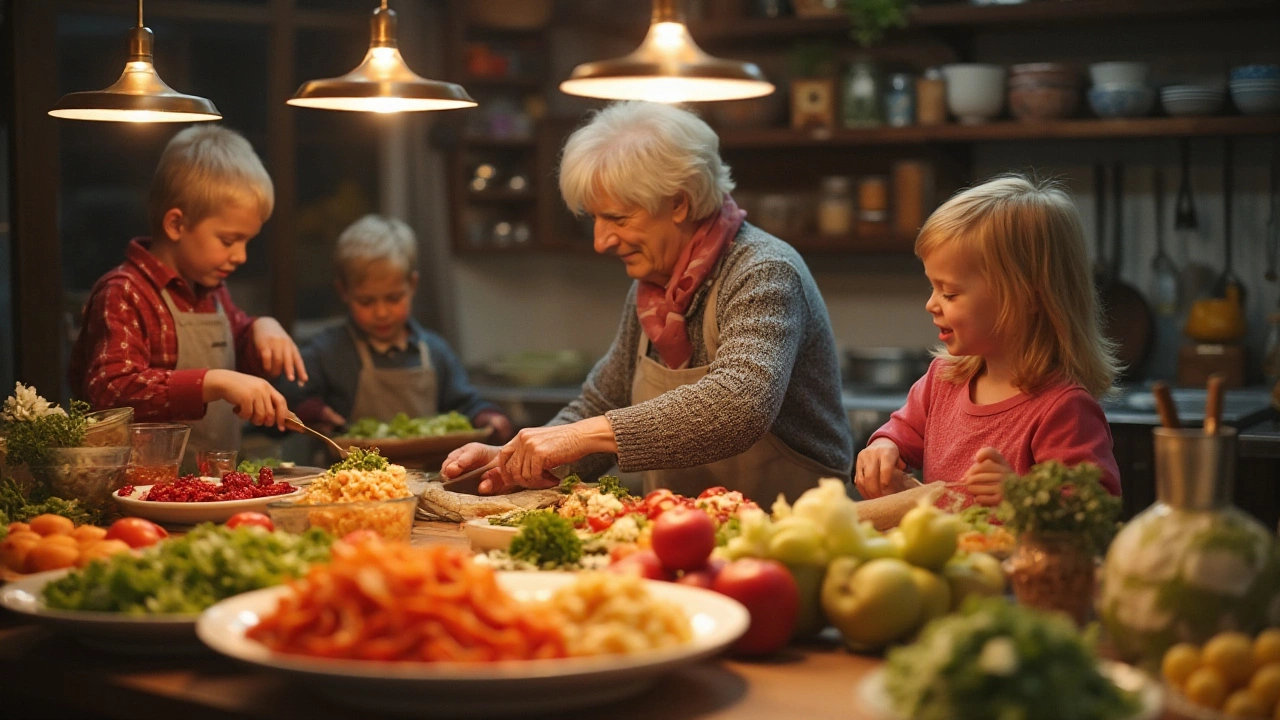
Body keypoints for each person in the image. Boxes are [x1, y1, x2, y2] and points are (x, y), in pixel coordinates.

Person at [441, 101, 852, 503]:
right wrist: (513, 462)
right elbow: (605, 400)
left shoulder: (763, 270)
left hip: (787, 532)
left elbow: (739, 404)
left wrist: (581, 435)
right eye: (595, 220)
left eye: (618, 219)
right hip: (678, 530)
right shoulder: (654, 286)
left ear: (679, 203)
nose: (601, 242)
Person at [854, 175, 1122, 508]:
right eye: (933, 288)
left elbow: (1095, 509)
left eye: (950, 293)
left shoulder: (1063, 409)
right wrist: (883, 447)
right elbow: (900, 430)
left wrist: (1019, 494)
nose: (931, 304)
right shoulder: (942, 381)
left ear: (1028, 297)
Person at [68, 125, 304, 460]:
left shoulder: (212, 292)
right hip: (141, 489)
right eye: (228, 240)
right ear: (176, 224)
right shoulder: (123, 292)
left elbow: (238, 355)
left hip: (216, 486)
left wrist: (261, 329)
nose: (241, 256)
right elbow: (111, 390)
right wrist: (213, 381)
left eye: (247, 241)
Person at [278, 214, 513, 443]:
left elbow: (465, 405)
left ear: (412, 285)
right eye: (366, 302)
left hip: (432, 478)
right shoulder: (327, 352)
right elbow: (286, 399)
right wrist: (312, 411)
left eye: (393, 298)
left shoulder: (435, 351)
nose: (382, 312)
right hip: (350, 478)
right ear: (344, 292)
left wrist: (487, 416)